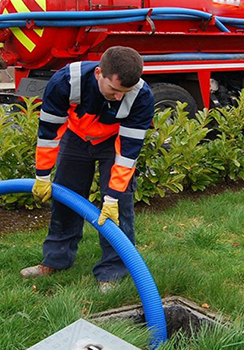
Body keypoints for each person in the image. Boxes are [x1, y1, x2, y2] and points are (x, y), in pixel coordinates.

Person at [22, 46, 155, 294]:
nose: (118, 97)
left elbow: (127, 152)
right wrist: (42, 176)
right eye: (113, 90)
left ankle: (112, 272)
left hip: (112, 144)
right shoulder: (65, 81)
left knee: (118, 208)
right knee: (65, 197)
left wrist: (113, 195)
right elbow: (49, 134)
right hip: (76, 137)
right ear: (98, 73)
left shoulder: (141, 97)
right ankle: (55, 261)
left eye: (123, 92)